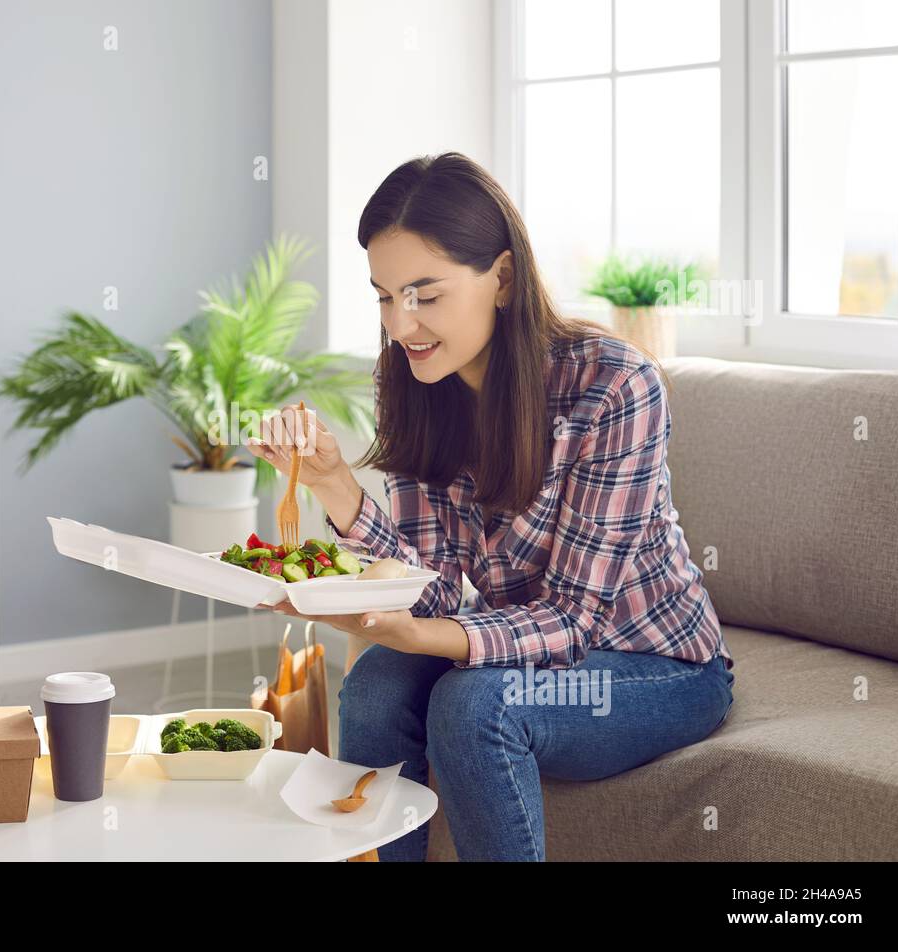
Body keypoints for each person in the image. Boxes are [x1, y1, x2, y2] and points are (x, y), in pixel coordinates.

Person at [244, 152, 734, 861]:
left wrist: (422, 637)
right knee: (376, 686)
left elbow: (573, 621)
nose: (402, 323)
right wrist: (333, 485)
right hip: (523, 640)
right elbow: (435, 588)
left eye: (425, 295)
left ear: (501, 278)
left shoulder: (615, 387)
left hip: (654, 664)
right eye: (384, 296)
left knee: (477, 704)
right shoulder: (413, 380)